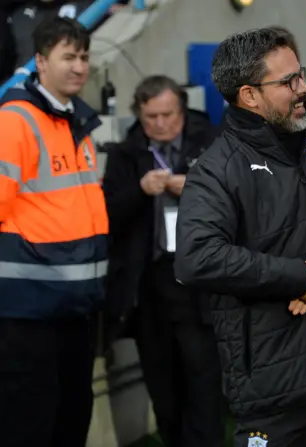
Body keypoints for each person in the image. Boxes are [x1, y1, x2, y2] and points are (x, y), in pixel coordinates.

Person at [174, 28, 306, 447]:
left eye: (300, 74)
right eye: (288, 82)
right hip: (274, 394)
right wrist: (298, 278)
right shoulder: (217, 170)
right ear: (249, 95)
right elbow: (196, 257)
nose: (303, 88)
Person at [102, 75, 226, 447]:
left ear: (182, 111)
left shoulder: (212, 142)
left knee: (202, 388)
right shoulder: (126, 153)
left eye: (166, 115)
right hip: (149, 289)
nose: (158, 124)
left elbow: (239, 202)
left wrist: (195, 186)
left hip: (199, 289)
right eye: (149, 116)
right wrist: (140, 190)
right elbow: (106, 215)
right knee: (164, 392)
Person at [0, 17, 107, 446]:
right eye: (68, 57)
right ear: (40, 62)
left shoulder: (73, 121)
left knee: (71, 418)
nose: (79, 66)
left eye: (84, 56)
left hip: (74, 305)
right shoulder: (16, 121)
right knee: (30, 424)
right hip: (27, 310)